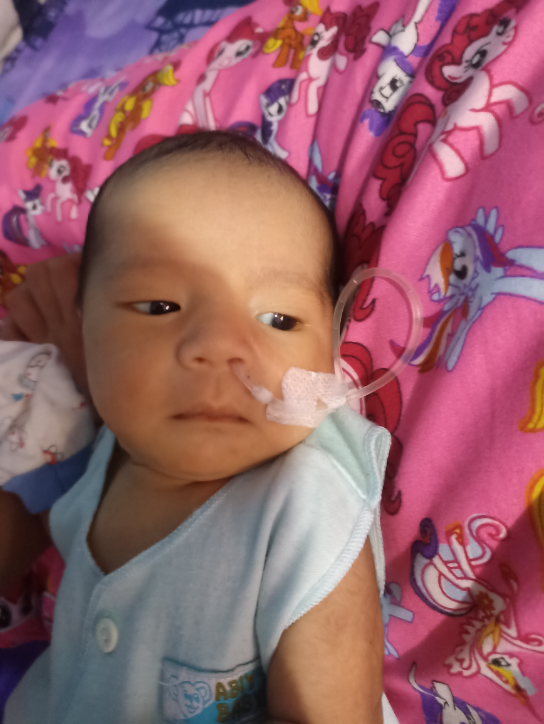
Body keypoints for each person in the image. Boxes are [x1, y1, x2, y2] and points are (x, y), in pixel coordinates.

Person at [2, 131, 394, 724]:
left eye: (278, 319)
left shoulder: (306, 505)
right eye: (159, 307)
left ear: (329, 353)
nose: (218, 346)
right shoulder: (95, 451)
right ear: (84, 329)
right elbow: (34, 522)